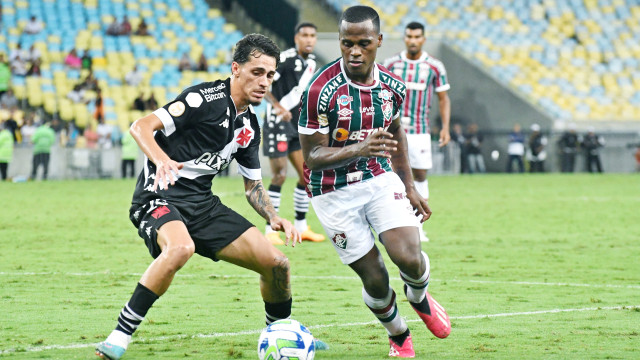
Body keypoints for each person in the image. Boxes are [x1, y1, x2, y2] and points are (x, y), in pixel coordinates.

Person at [95, 34, 312, 360]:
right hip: (159, 197)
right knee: (181, 248)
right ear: (236, 69)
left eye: (270, 75)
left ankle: (279, 337)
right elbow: (141, 126)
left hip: (203, 205)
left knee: (277, 264)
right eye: (257, 72)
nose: (264, 82)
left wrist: (274, 217)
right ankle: (119, 336)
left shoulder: (250, 125)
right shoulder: (203, 99)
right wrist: (161, 159)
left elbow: (252, 187)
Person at [298, 6, 451, 358]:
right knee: (376, 279)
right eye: (346, 43)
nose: (354, 51)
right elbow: (312, 157)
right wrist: (360, 146)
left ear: (378, 41)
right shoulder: (319, 91)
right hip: (331, 190)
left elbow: (396, 131)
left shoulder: (392, 87)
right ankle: (398, 334)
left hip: (378, 175)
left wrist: (410, 186)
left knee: (409, 256)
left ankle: (418, 295)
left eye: (363, 43)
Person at [383, 21, 451, 241]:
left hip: (420, 130)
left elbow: (443, 98)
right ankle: (392, 224)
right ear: (405, 38)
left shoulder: (434, 66)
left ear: (423, 39)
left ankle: (418, 224)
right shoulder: (391, 63)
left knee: (420, 175)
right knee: (392, 176)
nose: (412, 41)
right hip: (393, 129)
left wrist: (445, 128)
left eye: (417, 37)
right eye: (409, 36)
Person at [262, 22, 324, 245]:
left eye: (312, 36)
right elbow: (264, 81)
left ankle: (301, 227)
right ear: (296, 37)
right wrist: (277, 106)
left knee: (306, 177)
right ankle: (270, 229)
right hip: (277, 123)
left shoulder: (312, 63)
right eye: (304, 35)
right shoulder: (285, 59)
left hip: (297, 126)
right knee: (279, 175)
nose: (309, 39)